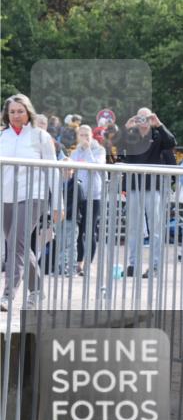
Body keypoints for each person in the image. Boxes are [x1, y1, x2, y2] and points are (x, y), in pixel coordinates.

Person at [1, 94, 58, 311]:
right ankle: (37, 290)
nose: (16, 115)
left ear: (28, 112)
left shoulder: (40, 136)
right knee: (20, 245)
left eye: (20, 111)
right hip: (7, 197)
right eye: (12, 112)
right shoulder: (3, 137)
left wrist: (58, 204)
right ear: (7, 114)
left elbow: (53, 170)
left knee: (16, 243)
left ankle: (8, 295)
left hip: (34, 195)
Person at [121, 107, 176, 278]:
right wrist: (126, 128)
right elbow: (118, 149)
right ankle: (133, 264)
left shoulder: (158, 135)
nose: (143, 121)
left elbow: (171, 143)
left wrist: (159, 124)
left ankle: (155, 266)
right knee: (133, 227)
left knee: (155, 228)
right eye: (140, 118)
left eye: (146, 118)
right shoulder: (131, 135)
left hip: (153, 186)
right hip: (134, 186)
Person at [70, 124, 106, 276]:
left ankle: (88, 264)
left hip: (93, 196)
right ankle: (79, 262)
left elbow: (97, 167)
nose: (84, 138)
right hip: (78, 196)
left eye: (87, 135)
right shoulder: (75, 152)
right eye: (81, 135)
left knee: (89, 231)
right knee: (78, 231)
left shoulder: (99, 150)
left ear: (92, 136)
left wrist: (88, 150)